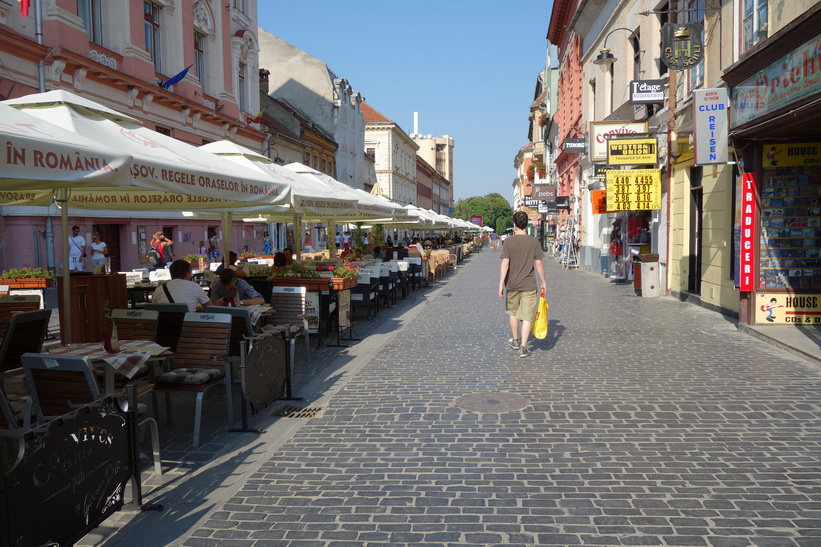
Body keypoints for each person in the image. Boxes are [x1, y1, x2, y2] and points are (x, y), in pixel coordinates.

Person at [498, 211, 546, 358]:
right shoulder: (533, 242)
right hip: (529, 285)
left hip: (512, 285)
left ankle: (515, 341)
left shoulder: (509, 242)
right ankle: (524, 348)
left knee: (512, 312)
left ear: (514, 223)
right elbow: (538, 263)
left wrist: (500, 284)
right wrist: (543, 281)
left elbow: (505, 263)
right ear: (526, 223)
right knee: (526, 316)